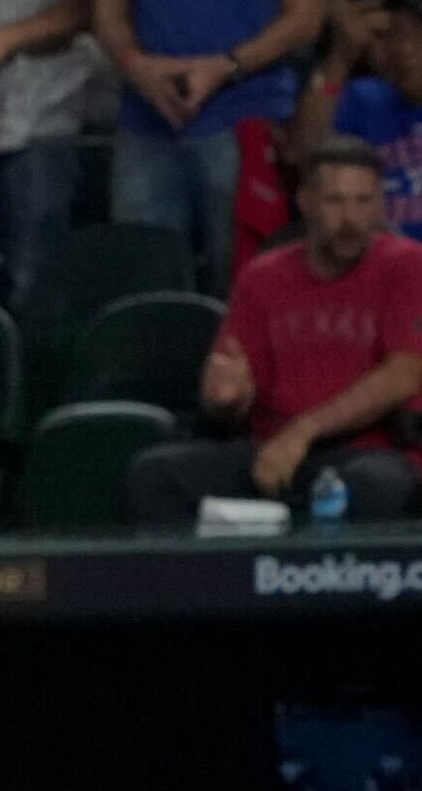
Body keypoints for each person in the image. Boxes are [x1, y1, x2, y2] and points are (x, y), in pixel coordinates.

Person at [129, 136, 422, 519]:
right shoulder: (262, 277)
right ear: (306, 204)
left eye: (363, 202)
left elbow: (404, 374)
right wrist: (226, 401)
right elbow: (228, 386)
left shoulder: (405, 265)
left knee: (375, 487)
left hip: (368, 452)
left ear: (380, 205)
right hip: (271, 452)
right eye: (335, 201)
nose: (350, 218)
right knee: (155, 476)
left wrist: (303, 432)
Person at [88, 0, 325, 292]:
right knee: (141, 288)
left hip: (246, 117)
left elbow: (305, 17)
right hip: (146, 120)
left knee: (246, 285)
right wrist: (136, 66)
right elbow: (107, 8)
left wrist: (225, 66)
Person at [288, 0, 422, 239]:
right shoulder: (366, 98)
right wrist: (341, 58)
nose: (405, 49)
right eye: (397, 34)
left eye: (418, 36)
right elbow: (305, 151)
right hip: (372, 260)